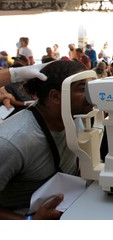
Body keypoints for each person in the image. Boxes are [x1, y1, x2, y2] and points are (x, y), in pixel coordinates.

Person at [0, 60, 92, 220]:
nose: (91, 95)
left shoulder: (74, 119)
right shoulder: (12, 142)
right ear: (55, 97)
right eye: (83, 89)